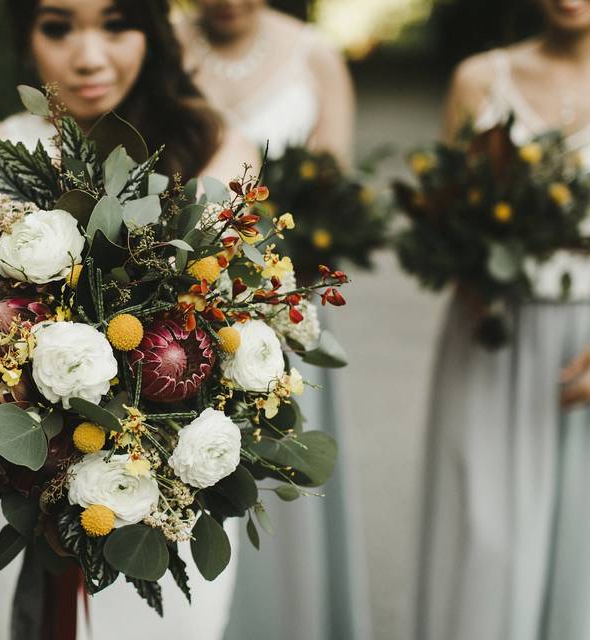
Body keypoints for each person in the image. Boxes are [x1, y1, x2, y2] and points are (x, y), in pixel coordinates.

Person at [0, 1, 258, 638]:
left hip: (167, 492)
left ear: (152, 31)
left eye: (115, 24)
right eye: (58, 27)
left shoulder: (216, 146)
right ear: (25, 35)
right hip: (26, 484)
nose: (88, 57)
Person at [176, 3, 371, 639]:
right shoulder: (160, 46)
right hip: (182, 295)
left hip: (281, 298)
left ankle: (293, 618)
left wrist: (268, 269)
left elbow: (331, 184)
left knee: (284, 448)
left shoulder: (314, 53)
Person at [416, 1, 590, 638]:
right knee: (484, 534)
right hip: (490, 330)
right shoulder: (480, 79)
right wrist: (470, 276)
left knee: (583, 541)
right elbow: (443, 212)